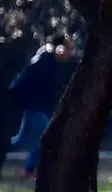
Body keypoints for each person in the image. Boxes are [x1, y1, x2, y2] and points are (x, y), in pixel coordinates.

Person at [8, 37, 73, 179]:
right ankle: (29, 169)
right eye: (68, 48)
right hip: (34, 106)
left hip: (37, 106)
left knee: (21, 140)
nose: (70, 53)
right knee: (48, 136)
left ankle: (29, 168)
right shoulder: (44, 61)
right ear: (60, 49)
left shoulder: (52, 63)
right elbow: (26, 79)